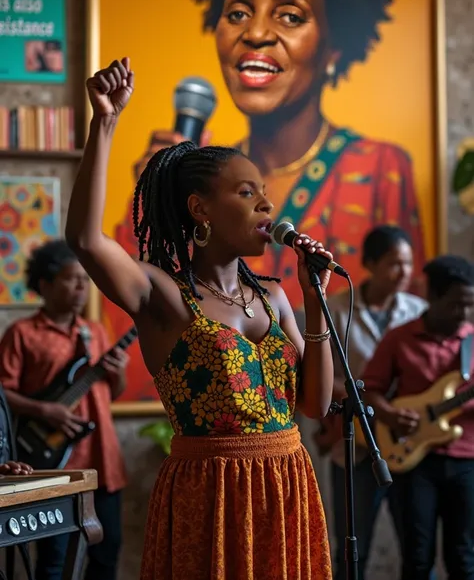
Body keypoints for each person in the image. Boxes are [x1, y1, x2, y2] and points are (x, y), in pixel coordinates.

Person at [103, 0, 425, 401]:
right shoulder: (200, 188)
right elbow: (140, 365)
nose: (255, 33)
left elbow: (336, 390)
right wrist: (152, 199)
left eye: (290, 15)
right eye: (237, 12)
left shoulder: (382, 168)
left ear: (333, 47)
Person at [65, 57, 334, 579]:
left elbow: (316, 405)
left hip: (288, 485)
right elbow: (85, 239)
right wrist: (105, 123)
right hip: (211, 494)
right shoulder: (164, 295)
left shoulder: (274, 297)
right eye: (247, 192)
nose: (266, 204)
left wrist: (315, 299)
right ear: (200, 209)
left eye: (264, 192)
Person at [0, 240, 128, 580]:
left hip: (102, 461)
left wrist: (119, 372)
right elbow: (2, 394)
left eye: (85, 280)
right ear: (45, 284)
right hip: (54, 465)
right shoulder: (22, 334)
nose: (81, 288)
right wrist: (44, 411)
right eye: (72, 279)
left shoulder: (95, 332)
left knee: (107, 554)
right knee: (54, 561)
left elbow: (111, 393)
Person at [316, 225, 426, 580]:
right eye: (394, 263)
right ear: (370, 264)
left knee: (417, 548)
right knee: (352, 548)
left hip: (409, 442)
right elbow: (321, 376)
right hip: (355, 444)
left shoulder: (418, 311)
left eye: (408, 263)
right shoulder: (335, 309)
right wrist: (370, 401)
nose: (404, 272)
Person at [363, 255, 474, 580]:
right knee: (417, 559)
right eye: (456, 304)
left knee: (464, 559)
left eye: (470, 305)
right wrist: (390, 415)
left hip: (467, 461)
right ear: (433, 297)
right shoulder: (399, 338)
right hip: (415, 463)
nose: (464, 313)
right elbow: (368, 390)